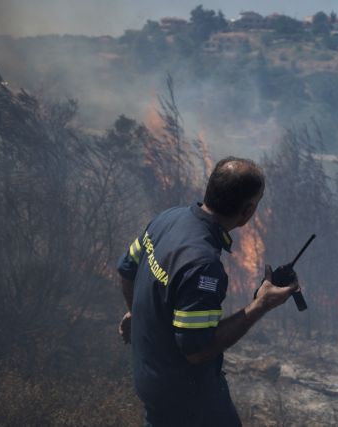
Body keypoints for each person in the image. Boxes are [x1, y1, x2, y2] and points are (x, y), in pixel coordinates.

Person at [116, 156, 301, 427]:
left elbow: (127, 269)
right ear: (248, 211)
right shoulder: (203, 266)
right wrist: (260, 305)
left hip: (151, 384)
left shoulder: (167, 218)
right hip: (187, 404)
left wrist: (135, 311)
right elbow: (197, 350)